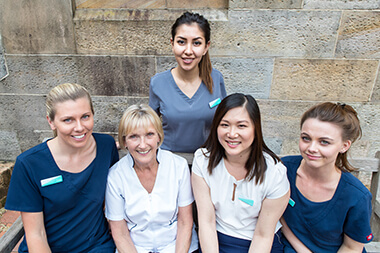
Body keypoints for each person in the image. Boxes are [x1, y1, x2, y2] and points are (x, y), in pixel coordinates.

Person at [5, 83, 119, 252]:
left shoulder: (106, 146)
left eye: (85, 116)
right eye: (68, 120)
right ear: (51, 122)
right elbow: (36, 233)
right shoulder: (29, 164)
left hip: (96, 246)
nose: (80, 127)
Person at [192, 93, 290, 253]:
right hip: (216, 239)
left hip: (257, 242)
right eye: (224, 125)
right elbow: (207, 222)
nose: (231, 133)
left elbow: (263, 235)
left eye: (241, 126)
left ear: (255, 128)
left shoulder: (274, 172)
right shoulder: (202, 160)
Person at [280, 102, 373, 253]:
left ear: (344, 146)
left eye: (324, 142)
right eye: (306, 138)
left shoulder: (356, 196)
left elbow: (352, 247)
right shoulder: (283, 170)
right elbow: (278, 217)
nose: (311, 148)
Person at [105, 104, 198, 253]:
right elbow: (120, 233)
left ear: (159, 137)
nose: (143, 145)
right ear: (124, 142)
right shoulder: (115, 176)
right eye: (134, 136)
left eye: (149, 134)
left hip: (176, 246)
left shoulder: (178, 167)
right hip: (136, 248)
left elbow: (185, 222)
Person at [149, 11, 227, 153]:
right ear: (172, 44)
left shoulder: (216, 79)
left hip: (207, 161)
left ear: (206, 47)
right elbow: (148, 126)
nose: (188, 51)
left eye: (196, 43)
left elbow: (226, 121)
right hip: (170, 162)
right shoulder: (158, 83)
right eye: (181, 42)